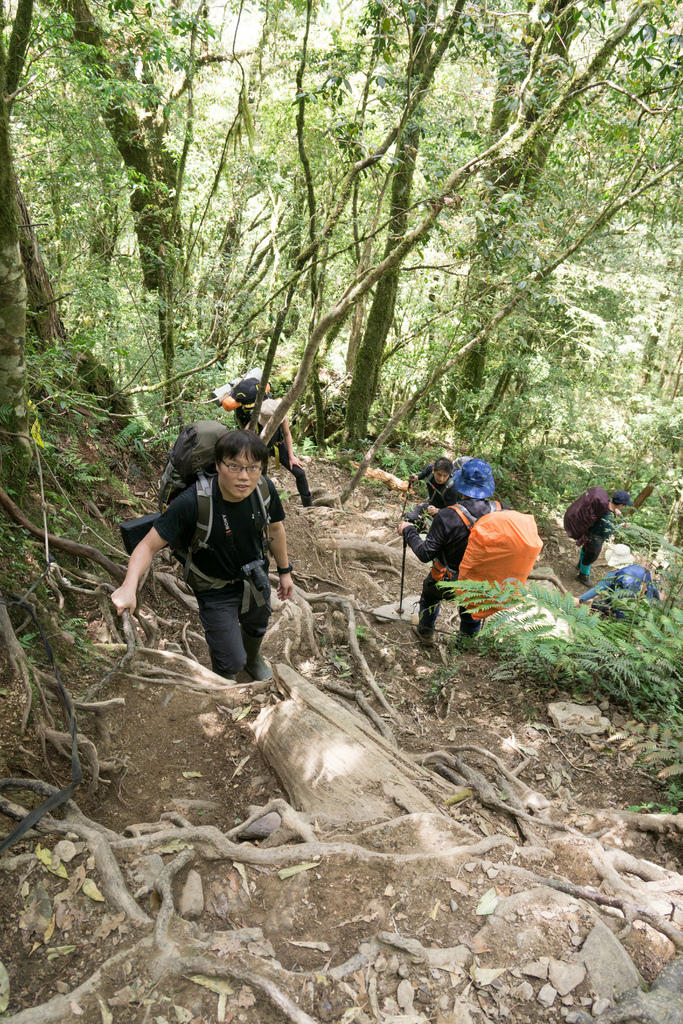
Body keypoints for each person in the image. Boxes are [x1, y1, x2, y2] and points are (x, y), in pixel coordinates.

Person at [112, 431, 294, 681]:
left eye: (253, 468)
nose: (244, 476)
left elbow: (275, 528)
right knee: (231, 660)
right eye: (235, 466)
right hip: (214, 589)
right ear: (218, 465)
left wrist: (285, 572)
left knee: (257, 623)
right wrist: (128, 587)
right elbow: (147, 546)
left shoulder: (264, 489)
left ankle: (253, 660)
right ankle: (225, 678)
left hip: (255, 576)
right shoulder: (192, 502)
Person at [398, 458, 508, 644]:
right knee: (471, 606)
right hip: (481, 582)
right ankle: (467, 642)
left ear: (459, 482)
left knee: (430, 594)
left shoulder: (447, 515)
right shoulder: (502, 511)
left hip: (447, 580)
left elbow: (426, 553)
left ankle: (425, 632)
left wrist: (409, 530)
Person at [227, 371, 313, 508]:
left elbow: (287, 434)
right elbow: (244, 439)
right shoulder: (252, 421)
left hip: (278, 444)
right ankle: (261, 507)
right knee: (262, 480)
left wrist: (291, 456)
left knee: (300, 473)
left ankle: (309, 507)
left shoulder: (279, 413)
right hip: (260, 450)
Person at [573, 489, 633, 583]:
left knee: (585, 550)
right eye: (624, 505)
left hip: (589, 533)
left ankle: (580, 565)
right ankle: (583, 576)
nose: (624, 507)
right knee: (590, 557)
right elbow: (609, 533)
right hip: (596, 539)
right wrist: (621, 526)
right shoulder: (608, 517)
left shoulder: (604, 503)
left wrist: (615, 509)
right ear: (621, 505)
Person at [577, 555, 660, 618]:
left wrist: (580, 599)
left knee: (597, 604)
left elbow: (598, 589)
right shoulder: (643, 571)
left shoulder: (614, 574)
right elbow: (653, 589)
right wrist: (658, 603)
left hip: (619, 612)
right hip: (639, 613)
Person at [405, 456, 470, 523]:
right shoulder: (429, 470)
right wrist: (414, 478)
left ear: (449, 474)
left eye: (445, 476)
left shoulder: (452, 488)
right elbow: (419, 477)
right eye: (439, 474)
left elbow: (450, 512)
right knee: (409, 517)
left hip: (443, 512)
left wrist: (437, 511)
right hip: (430, 505)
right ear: (433, 470)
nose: (441, 479)